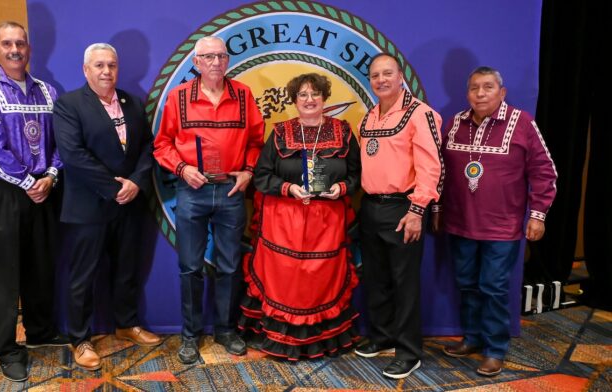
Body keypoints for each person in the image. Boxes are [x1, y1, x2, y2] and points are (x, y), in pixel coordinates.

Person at [0, 21, 68, 382]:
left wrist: (50, 176)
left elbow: (60, 145)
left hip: (44, 190)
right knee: (6, 274)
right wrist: (26, 181)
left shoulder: (47, 92)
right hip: (3, 192)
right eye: (7, 44)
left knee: (41, 265)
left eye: (20, 43)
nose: (14, 50)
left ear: (29, 48)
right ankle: (7, 348)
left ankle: (40, 332)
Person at [434, 66, 557, 376]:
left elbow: (545, 171)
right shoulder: (456, 123)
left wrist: (538, 215)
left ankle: (495, 349)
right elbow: (441, 170)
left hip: (501, 227)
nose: (480, 93)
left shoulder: (523, 123)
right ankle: (473, 339)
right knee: (466, 285)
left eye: (488, 87)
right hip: (460, 223)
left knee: (493, 288)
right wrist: (437, 209)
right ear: (467, 94)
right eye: (474, 88)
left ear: (502, 92)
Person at [154, 36, 264, 365]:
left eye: (221, 56)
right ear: (196, 63)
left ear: (227, 60)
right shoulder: (178, 98)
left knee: (230, 266)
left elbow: (258, 142)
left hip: (231, 191)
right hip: (193, 191)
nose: (216, 62)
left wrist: (247, 172)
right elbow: (162, 145)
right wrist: (183, 168)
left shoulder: (243, 95)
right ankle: (190, 334)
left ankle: (226, 330)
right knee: (190, 267)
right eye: (208, 57)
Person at [237, 73, 361, 360]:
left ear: (324, 98)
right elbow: (262, 176)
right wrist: (288, 187)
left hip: (327, 223)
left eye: (315, 94)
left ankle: (321, 340)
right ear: (294, 100)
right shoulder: (279, 132)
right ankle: (279, 337)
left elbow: (357, 175)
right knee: (287, 282)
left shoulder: (343, 132)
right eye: (302, 95)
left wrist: (341, 188)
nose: (309, 100)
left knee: (319, 283)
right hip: (284, 223)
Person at [53, 43, 159, 371]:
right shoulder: (69, 105)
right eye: (98, 65)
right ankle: (80, 339)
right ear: (86, 70)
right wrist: (115, 188)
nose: (106, 71)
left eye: (111, 65)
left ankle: (126, 323)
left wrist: (136, 183)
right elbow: (73, 155)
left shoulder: (131, 102)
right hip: (89, 206)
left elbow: (146, 148)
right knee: (83, 276)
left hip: (129, 203)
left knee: (127, 268)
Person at [355, 53, 443, 379]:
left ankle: (408, 351)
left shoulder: (420, 114)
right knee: (376, 278)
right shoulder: (370, 116)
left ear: (400, 75)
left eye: (387, 73)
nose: (381, 80)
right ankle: (382, 336)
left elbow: (430, 166)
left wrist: (418, 209)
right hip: (371, 205)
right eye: (375, 75)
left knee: (405, 283)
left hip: (403, 207)